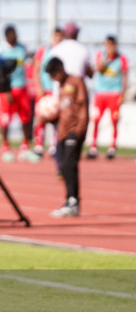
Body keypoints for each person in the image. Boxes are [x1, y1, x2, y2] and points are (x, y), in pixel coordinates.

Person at [46, 57, 89, 217]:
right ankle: (69, 200)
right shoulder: (62, 86)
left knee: (70, 166)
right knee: (64, 167)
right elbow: (62, 110)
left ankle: (73, 202)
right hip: (62, 132)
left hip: (74, 131)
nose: (53, 79)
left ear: (60, 70)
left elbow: (83, 105)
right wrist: (50, 117)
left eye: (53, 75)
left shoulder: (76, 82)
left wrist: (80, 129)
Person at [0, 25, 39, 163]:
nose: (15, 37)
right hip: (7, 90)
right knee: (5, 119)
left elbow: (29, 64)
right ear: (7, 36)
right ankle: (5, 148)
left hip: (22, 88)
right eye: (13, 35)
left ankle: (25, 147)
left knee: (26, 118)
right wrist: (4, 89)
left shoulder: (22, 48)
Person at [89, 35, 128, 159]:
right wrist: (107, 58)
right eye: (107, 45)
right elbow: (98, 69)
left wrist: (122, 94)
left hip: (114, 94)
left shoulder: (121, 58)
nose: (109, 47)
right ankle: (93, 147)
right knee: (96, 119)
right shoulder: (101, 56)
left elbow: (125, 77)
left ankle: (112, 147)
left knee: (114, 121)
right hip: (100, 93)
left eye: (112, 45)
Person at [33, 28, 64, 157]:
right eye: (56, 36)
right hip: (44, 89)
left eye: (60, 36)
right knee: (41, 117)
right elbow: (36, 68)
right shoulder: (43, 50)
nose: (58, 38)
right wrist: (39, 87)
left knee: (57, 119)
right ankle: (39, 145)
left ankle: (54, 145)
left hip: (57, 90)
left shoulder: (64, 51)